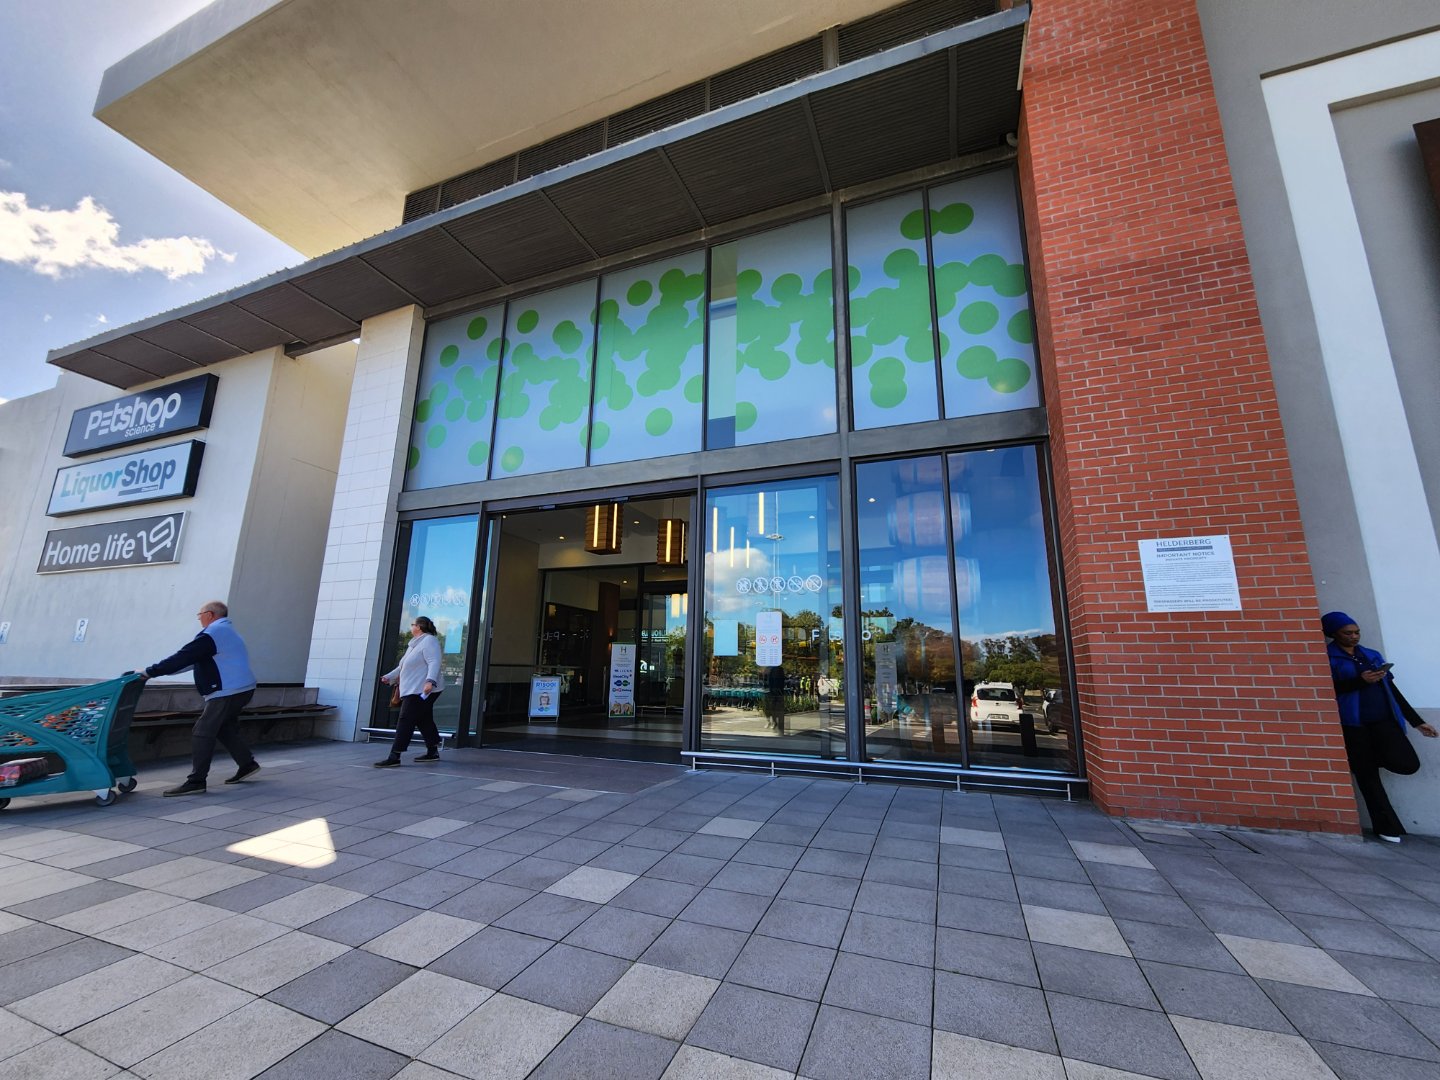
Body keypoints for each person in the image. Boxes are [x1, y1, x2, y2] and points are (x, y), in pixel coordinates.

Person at [1321, 611, 1437, 842]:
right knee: (1368, 778)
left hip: (1383, 720)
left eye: (1357, 632)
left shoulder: (1371, 655)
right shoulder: (1329, 658)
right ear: (1334, 633)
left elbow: (1392, 690)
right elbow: (1327, 689)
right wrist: (1359, 681)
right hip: (1354, 723)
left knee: (1407, 763)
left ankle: (1372, 759)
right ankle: (1387, 827)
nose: (1354, 637)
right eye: (1347, 633)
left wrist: (1417, 722)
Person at [139, 600, 259, 797]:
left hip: (227, 691)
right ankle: (247, 764)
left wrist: (149, 672)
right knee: (223, 728)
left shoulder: (212, 633)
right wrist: (155, 673)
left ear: (210, 615)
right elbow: (191, 662)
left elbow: (183, 657)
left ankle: (196, 781)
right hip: (242, 688)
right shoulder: (227, 632)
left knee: (202, 731)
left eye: (200, 615)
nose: (199, 619)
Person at [374, 616, 445, 767]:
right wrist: (389, 677)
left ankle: (395, 755)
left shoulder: (429, 640)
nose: (411, 627)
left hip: (422, 690)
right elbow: (403, 666)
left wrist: (430, 681)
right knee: (423, 718)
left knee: (405, 719)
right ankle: (432, 751)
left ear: (419, 627)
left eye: (413, 624)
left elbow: (434, 661)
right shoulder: (414, 644)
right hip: (413, 688)